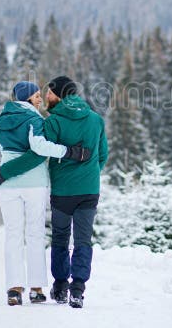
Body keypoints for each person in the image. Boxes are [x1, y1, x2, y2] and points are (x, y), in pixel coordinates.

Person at [0, 81, 91, 307]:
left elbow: (7, 147)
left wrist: (7, 171)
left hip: (7, 185)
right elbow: (38, 147)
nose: (40, 99)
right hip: (34, 183)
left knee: (13, 235)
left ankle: (14, 288)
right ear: (27, 99)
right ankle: (36, 288)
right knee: (35, 234)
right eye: (36, 95)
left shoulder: (1, 120)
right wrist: (68, 152)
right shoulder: (35, 120)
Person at [34, 76, 108, 309]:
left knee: (60, 238)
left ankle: (60, 286)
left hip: (63, 191)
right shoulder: (96, 119)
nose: (46, 96)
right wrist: (89, 174)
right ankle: (78, 290)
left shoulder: (53, 122)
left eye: (50, 93)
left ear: (60, 95)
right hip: (89, 189)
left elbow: (45, 151)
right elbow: (103, 154)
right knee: (83, 240)